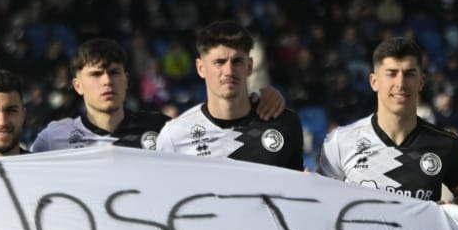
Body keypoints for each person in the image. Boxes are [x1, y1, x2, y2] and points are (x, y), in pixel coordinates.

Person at [317, 37, 458, 230]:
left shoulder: (446, 145)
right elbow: (323, 207)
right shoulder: (340, 141)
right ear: (374, 81)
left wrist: (452, 214)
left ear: (421, 81)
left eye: (409, 74)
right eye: (391, 74)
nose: (400, 83)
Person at [33, 38, 286, 153]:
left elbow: (221, 129)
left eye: (114, 72)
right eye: (96, 74)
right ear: (77, 85)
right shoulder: (54, 139)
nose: (107, 81)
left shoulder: (163, 129)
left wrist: (262, 97)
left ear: (127, 78)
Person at [155, 21, 303, 169]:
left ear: (250, 66)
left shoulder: (286, 124)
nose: (229, 72)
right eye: (219, 62)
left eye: (237, 61)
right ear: (201, 68)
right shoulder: (174, 136)